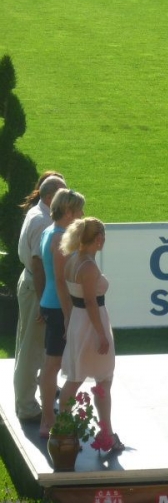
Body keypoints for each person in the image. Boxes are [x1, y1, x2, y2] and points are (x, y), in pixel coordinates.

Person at [59, 217, 124, 452]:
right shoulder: (87, 266)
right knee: (101, 379)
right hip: (90, 325)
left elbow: (71, 296)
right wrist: (101, 335)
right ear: (98, 238)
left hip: (79, 322)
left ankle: (65, 432)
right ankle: (105, 433)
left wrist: (69, 321)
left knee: (76, 377)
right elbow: (90, 302)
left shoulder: (72, 260)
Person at [14, 173, 65, 423]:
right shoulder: (43, 221)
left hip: (31, 284)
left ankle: (40, 390)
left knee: (33, 346)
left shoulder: (38, 213)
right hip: (36, 287)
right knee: (31, 350)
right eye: (62, 193)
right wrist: (45, 302)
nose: (67, 197)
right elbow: (38, 264)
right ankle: (26, 406)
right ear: (49, 197)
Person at [38, 188, 85, 437]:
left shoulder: (51, 231)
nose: (82, 215)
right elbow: (59, 280)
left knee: (53, 364)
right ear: (68, 211)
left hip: (53, 304)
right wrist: (68, 315)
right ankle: (48, 420)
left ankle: (49, 417)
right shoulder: (57, 237)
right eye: (79, 211)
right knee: (53, 364)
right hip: (58, 306)